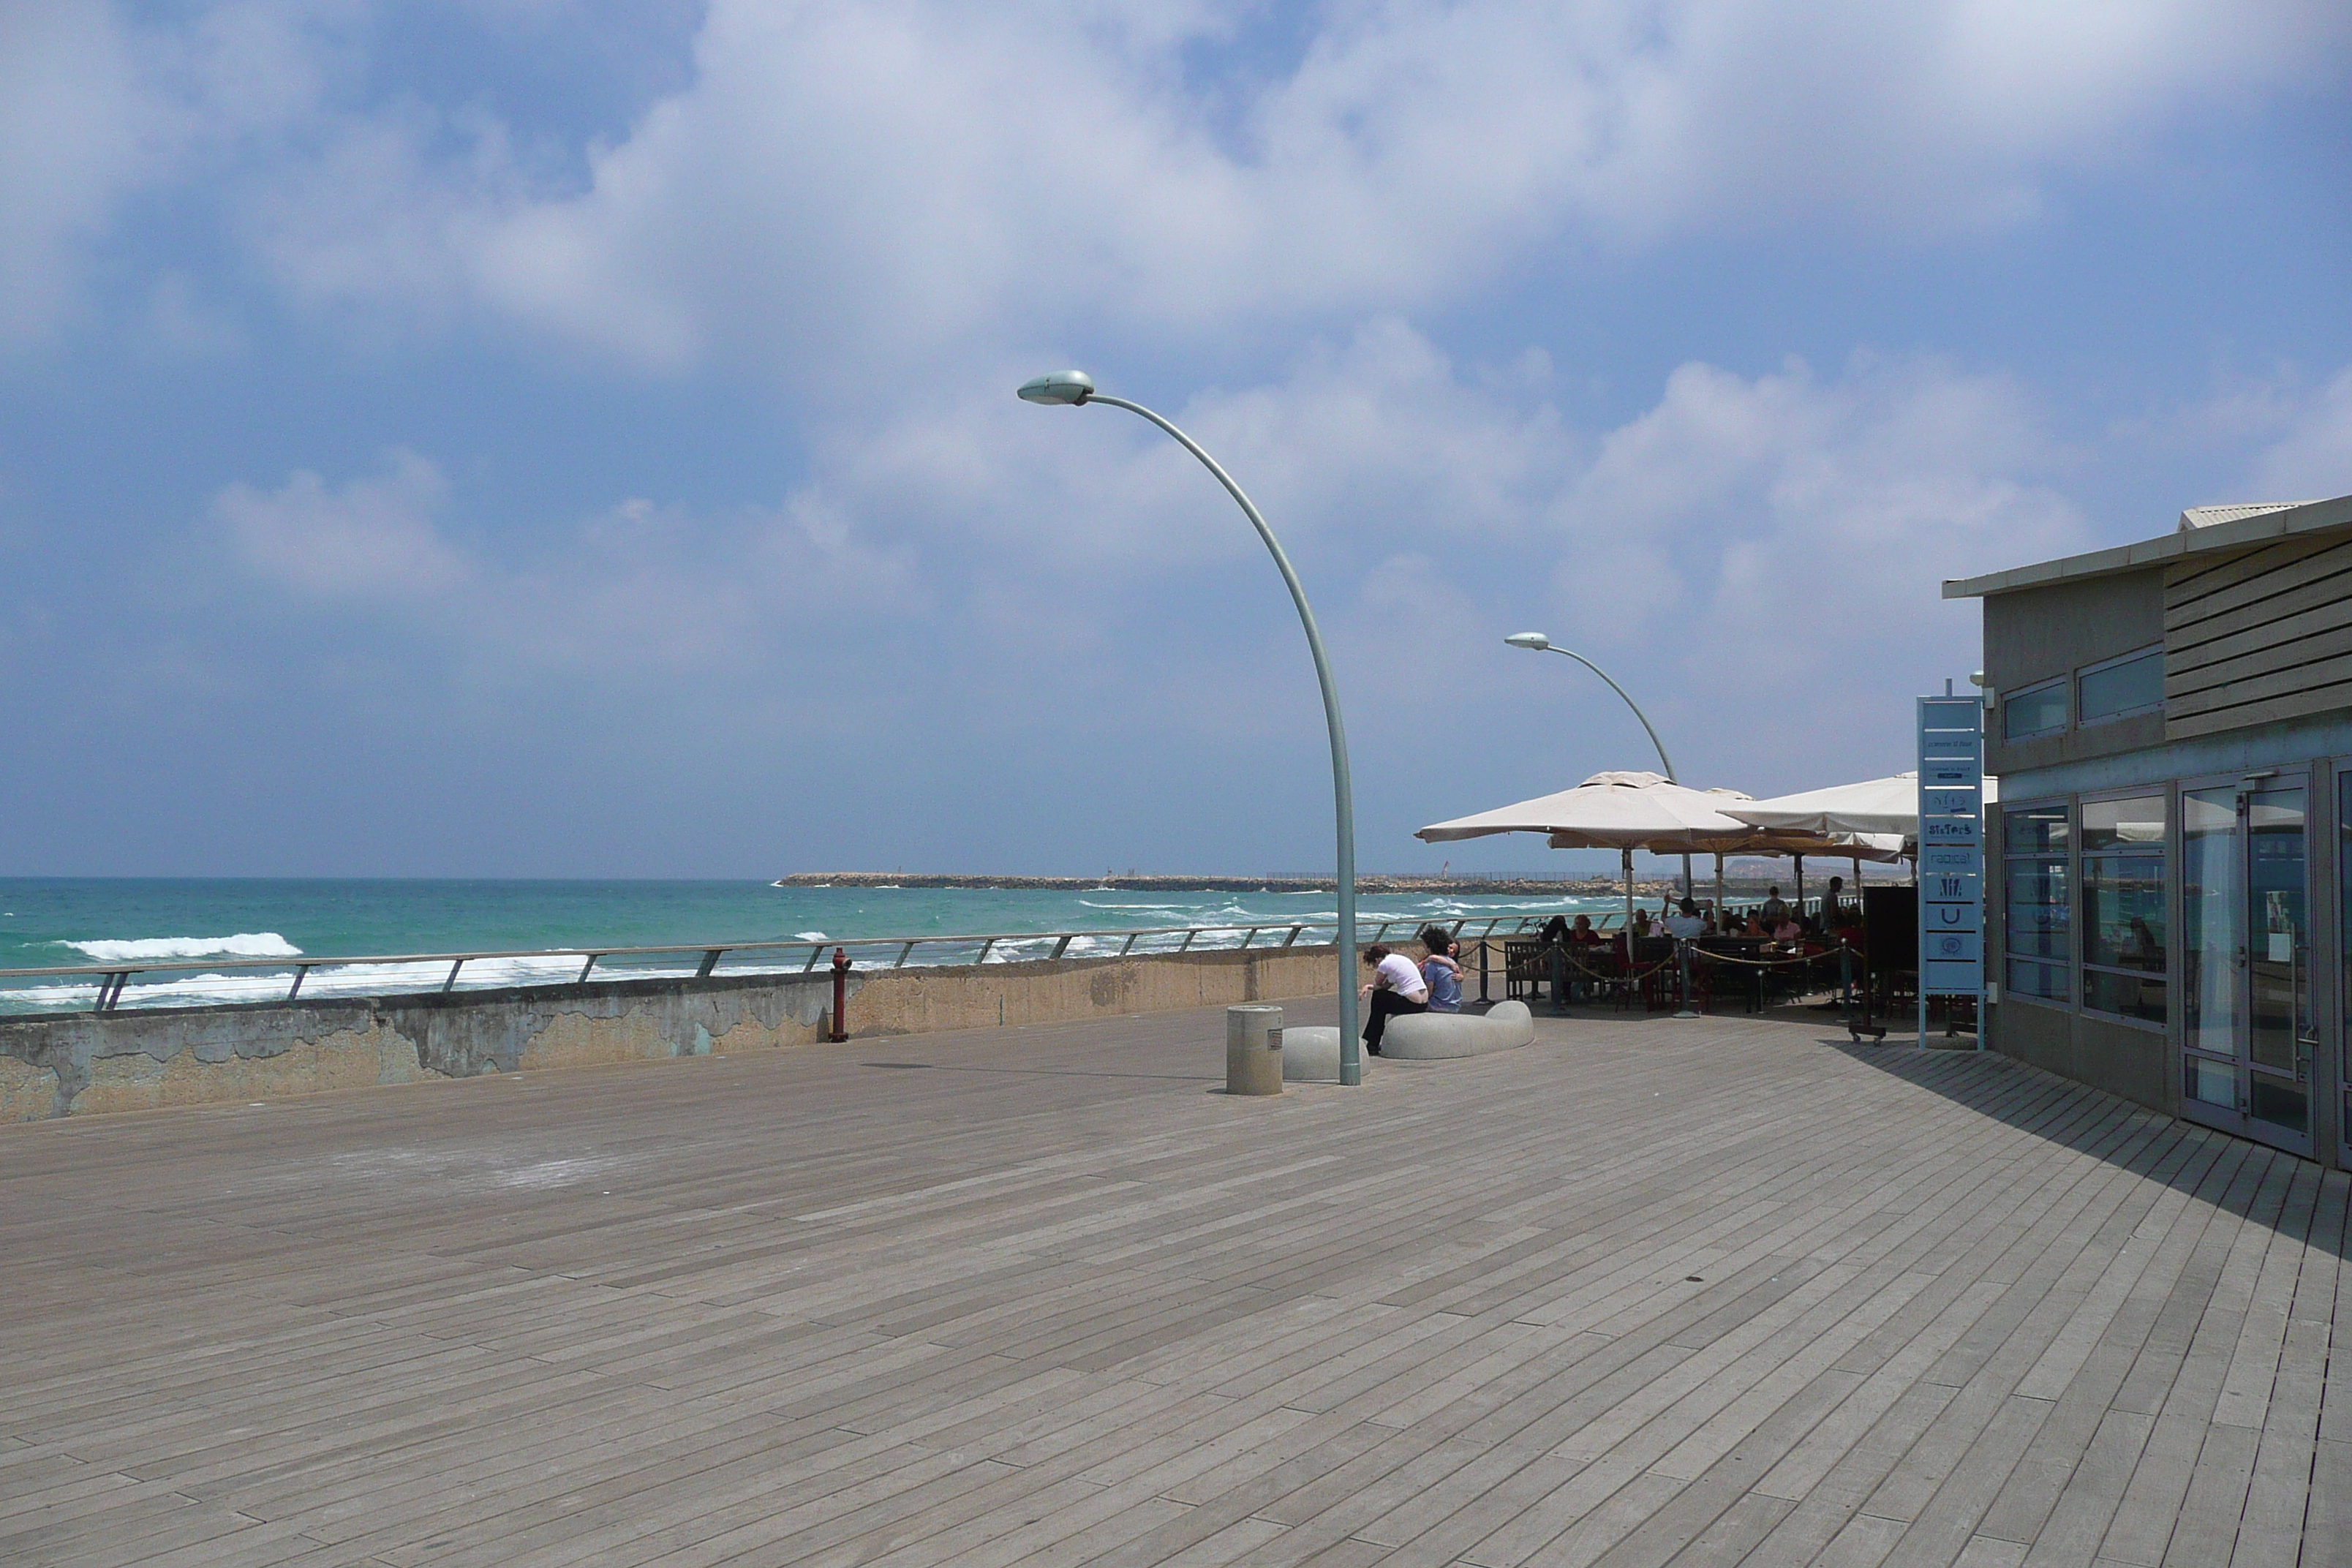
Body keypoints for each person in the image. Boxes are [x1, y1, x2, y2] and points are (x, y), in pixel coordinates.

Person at [1359, 944, 1428, 1055]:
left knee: (1378, 998)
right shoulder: (1399, 959)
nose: (1376, 967)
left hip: (1411, 1004)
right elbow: (1385, 987)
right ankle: (1373, 1038)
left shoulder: (1384, 964)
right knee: (1380, 999)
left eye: (1374, 965)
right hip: (1423, 1003)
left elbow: (1379, 983)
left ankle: (1372, 1041)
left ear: (1377, 959)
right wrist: (1368, 987)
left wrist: (1377, 977)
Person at [1417, 927, 1464, 1014]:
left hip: (1439, 1006)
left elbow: (1429, 992)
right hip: (1455, 1006)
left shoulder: (1432, 966)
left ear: (1429, 946)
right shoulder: (1452, 962)